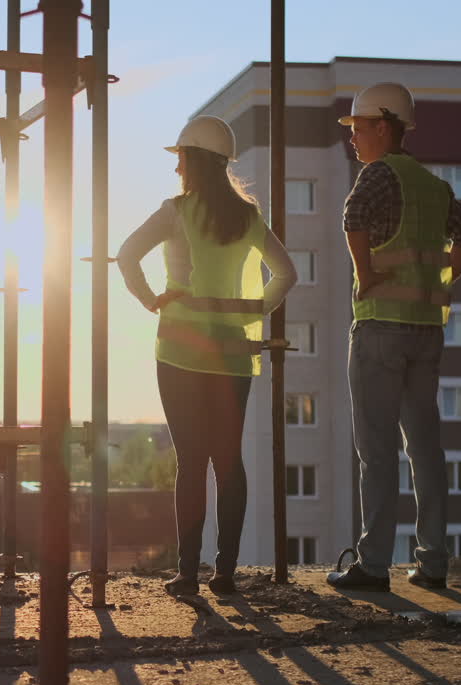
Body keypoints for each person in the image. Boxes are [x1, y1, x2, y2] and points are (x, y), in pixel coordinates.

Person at [118, 115, 296, 596]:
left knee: (191, 462)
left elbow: (126, 253)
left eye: (180, 159)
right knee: (228, 461)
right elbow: (286, 274)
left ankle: (187, 574)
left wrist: (150, 298)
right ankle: (226, 574)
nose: (177, 169)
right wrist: (256, 307)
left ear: (191, 161)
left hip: (178, 351)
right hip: (233, 356)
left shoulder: (175, 211)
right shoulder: (249, 218)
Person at [325, 83, 461, 592]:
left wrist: (365, 273)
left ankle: (374, 565)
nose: (354, 139)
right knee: (426, 448)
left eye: (359, 128)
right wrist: (442, 280)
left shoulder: (377, 175)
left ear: (383, 126)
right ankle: (433, 561)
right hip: (424, 331)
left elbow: (352, 218)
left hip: (379, 331)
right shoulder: (433, 187)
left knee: (376, 450)